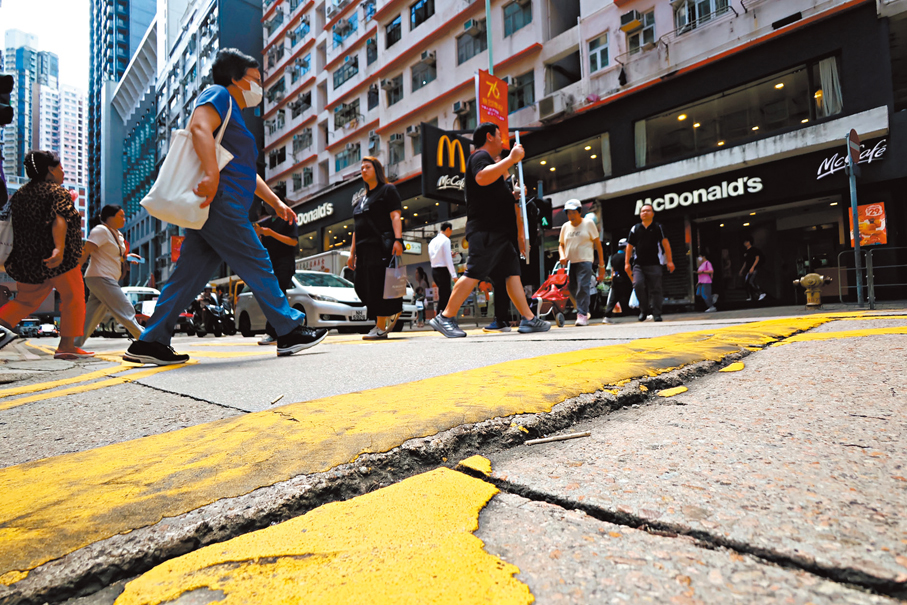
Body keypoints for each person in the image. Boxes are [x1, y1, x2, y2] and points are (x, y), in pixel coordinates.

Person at [124, 48, 327, 365]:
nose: (259, 87)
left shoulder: (234, 114)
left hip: (216, 206)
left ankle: (150, 342)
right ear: (235, 78)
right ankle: (288, 330)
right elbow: (199, 128)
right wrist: (210, 173)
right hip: (221, 203)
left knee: (187, 277)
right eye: (255, 80)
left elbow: (246, 172)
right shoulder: (218, 94)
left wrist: (275, 202)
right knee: (257, 259)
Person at [429, 122, 549, 337]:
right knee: (474, 273)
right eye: (499, 135)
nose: (503, 140)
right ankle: (445, 316)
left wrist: (511, 196)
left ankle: (529, 319)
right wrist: (511, 159)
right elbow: (481, 177)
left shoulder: (491, 165)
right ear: (489, 137)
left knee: (512, 275)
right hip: (486, 231)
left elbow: (492, 193)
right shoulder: (479, 157)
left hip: (500, 234)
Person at [0, 150, 92, 359]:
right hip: (60, 261)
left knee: (25, 301)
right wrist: (58, 248)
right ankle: (67, 346)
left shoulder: (21, 194)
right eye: (60, 167)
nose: (63, 171)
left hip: (28, 261)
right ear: (50, 170)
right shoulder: (56, 192)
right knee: (74, 298)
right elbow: (58, 218)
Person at [347, 156, 404, 340]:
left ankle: (380, 326)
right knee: (361, 286)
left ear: (376, 170)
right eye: (361, 168)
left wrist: (398, 240)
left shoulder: (388, 190)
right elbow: (357, 228)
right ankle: (389, 315)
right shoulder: (361, 199)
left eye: (367, 167)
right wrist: (352, 253)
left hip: (380, 246)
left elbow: (395, 216)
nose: (363, 170)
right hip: (363, 250)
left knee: (378, 285)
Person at [76, 204, 144, 347]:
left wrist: (128, 257)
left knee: (92, 316)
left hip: (104, 278)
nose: (124, 219)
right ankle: (148, 340)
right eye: (120, 216)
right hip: (100, 277)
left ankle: (73, 344)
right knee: (125, 309)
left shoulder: (117, 234)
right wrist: (75, 272)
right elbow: (86, 250)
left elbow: (116, 255)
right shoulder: (101, 230)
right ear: (109, 217)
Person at [254, 207, 299, 345]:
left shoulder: (288, 220)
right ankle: (282, 328)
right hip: (270, 263)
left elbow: (293, 241)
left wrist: (271, 233)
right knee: (273, 295)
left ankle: (274, 331)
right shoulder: (265, 222)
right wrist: (258, 233)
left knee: (278, 294)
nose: (268, 206)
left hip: (285, 263)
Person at [558, 199, 605, 327]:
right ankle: (583, 310)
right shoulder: (565, 226)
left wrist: (602, 265)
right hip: (570, 262)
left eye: (573, 212)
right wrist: (562, 255)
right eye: (568, 213)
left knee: (582, 287)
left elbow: (598, 246)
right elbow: (561, 245)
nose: (571, 216)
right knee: (572, 288)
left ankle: (582, 315)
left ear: (579, 212)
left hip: (585, 261)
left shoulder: (588, 224)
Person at [625, 203, 674, 322]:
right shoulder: (635, 228)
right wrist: (627, 263)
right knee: (638, 285)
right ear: (640, 214)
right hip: (639, 265)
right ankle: (644, 310)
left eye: (647, 211)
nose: (645, 213)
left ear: (652, 214)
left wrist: (670, 261)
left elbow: (665, 244)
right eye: (642, 211)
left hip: (655, 263)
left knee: (656, 288)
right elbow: (629, 246)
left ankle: (657, 313)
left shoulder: (658, 227)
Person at [428, 222, 456, 313]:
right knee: (445, 295)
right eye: (451, 230)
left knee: (443, 294)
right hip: (442, 270)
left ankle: (441, 317)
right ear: (448, 229)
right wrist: (454, 275)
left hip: (434, 270)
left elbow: (435, 256)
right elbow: (448, 259)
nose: (450, 233)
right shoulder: (446, 240)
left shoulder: (432, 241)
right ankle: (441, 318)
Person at [603, 238, 632, 323]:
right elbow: (628, 269)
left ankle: (607, 315)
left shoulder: (614, 257)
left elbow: (613, 270)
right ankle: (643, 312)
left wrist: (612, 280)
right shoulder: (626, 257)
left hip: (616, 279)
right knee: (635, 294)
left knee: (613, 298)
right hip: (625, 279)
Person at [739, 238, 766, 302]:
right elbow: (745, 262)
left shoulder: (754, 250)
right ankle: (751, 296)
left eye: (746, 242)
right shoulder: (746, 252)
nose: (745, 243)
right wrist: (741, 270)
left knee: (751, 281)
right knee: (747, 282)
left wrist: (753, 267)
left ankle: (761, 293)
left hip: (753, 268)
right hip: (748, 269)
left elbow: (757, 258)